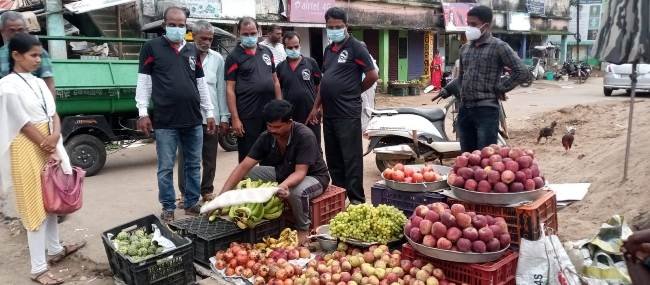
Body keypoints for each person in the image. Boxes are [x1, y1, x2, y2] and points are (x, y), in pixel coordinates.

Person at [0, 32, 85, 285]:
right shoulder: (6, 86)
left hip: (49, 142)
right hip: (27, 147)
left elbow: (53, 113)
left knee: (52, 200)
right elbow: (22, 123)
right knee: (34, 206)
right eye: (33, 55)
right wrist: (46, 143)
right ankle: (38, 268)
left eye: (40, 55)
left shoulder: (37, 82)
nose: (38, 60)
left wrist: (56, 135)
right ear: (16, 55)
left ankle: (55, 249)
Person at [135, 6, 216, 222]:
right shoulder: (151, 48)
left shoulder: (192, 51)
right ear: (164, 25)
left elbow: (200, 84)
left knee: (192, 163)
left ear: (186, 27)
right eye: (172, 24)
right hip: (165, 121)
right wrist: (143, 112)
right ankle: (168, 206)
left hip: (192, 119)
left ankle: (191, 202)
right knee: (165, 167)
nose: (177, 28)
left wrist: (209, 112)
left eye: (181, 25)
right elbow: (144, 81)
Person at [219, 100, 329, 244]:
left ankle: (303, 229)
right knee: (248, 174)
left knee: (296, 192)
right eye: (269, 126)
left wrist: (282, 186)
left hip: (314, 176)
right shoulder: (267, 136)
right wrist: (222, 195)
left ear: (289, 122)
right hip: (283, 172)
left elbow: (300, 173)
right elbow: (243, 166)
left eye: (277, 126)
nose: (272, 130)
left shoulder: (304, 135)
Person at [307, 7, 378, 205]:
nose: (334, 29)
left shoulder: (356, 47)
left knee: (351, 158)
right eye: (330, 27)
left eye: (338, 26)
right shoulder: (328, 50)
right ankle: (340, 195)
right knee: (334, 158)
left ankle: (356, 200)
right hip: (329, 113)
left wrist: (355, 91)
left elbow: (372, 75)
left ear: (346, 26)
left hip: (348, 113)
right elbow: (325, 81)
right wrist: (316, 107)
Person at [437, 5, 528, 152]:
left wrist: (501, 88)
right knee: (467, 156)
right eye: (468, 24)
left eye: (473, 24)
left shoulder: (499, 47)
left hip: (486, 110)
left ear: (486, 25)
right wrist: (448, 89)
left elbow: (522, 72)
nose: (469, 28)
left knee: (485, 157)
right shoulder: (465, 49)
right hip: (465, 110)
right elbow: (462, 78)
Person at [177, 20, 230, 205]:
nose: (206, 42)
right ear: (193, 35)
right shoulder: (183, 54)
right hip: (188, 117)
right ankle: (185, 194)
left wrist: (224, 117)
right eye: (203, 38)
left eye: (210, 38)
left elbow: (221, 89)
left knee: (209, 157)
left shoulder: (217, 59)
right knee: (187, 158)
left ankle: (207, 190)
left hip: (211, 117)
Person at [225, 17, 282, 162]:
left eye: (253, 33)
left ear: (259, 32)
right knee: (247, 157)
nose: (250, 37)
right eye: (245, 34)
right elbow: (230, 89)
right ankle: (245, 184)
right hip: (247, 115)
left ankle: (270, 185)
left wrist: (280, 107)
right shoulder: (233, 57)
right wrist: (235, 119)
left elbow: (275, 80)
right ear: (239, 34)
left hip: (269, 113)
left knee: (271, 154)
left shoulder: (267, 52)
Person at [275, 31, 322, 143]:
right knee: (292, 144)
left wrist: (319, 109)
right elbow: (278, 90)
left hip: (311, 113)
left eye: (296, 46)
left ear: (300, 45)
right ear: (284, 47)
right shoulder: (280, 67)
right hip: (290, 115)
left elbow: (319, 87)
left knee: (314, 143)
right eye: (290, 47)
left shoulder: (311, 63)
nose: (293, 50)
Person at [0, 11, 56, 97]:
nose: (17, 33)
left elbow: (49, 83)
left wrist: (51, 108)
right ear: (2, 31)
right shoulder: (1, 54)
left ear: (26, 30)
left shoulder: (38, 52)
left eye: (20, 30)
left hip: (33, 101)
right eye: (12, 30)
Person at [359, 41, 378, 132]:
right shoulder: (361, 58)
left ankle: (365, 128)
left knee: (367, 107)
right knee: (365, 107)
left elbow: (374, 74)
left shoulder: (368, 59)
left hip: (367, 87)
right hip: (365, 88)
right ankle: (365, 126)